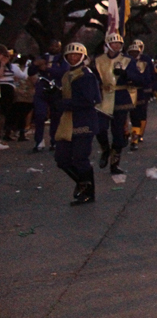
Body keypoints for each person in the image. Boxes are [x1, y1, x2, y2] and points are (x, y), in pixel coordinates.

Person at [53, 43, 101, 206]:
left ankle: (89, 192)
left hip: (84, 121)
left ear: (83, 57)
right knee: (62, 158)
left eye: (76, 55)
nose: (73, 58)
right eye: (70, 55)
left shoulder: (86, 75)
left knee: (80, 158)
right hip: (67, 121)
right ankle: (82, 183)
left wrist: (64, 103)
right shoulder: (67, 75)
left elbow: (90, 100)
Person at [94, 32, 147, 175]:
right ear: (107, 45)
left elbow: (139, 79)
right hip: (104, 97)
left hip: (120, 97)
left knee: (118, 133)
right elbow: (93, 78)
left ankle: (115, 163)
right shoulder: (98, 60)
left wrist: (126, 75)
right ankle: (105, 150)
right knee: (99, 128)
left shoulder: (128, 60)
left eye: (118, 43)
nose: (116, 46)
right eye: (113, 43)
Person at [126, 40, 154, 151]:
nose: (134, 54)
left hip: (141, 92)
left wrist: (151, 88)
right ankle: (127, 133)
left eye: (136, 52)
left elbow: (149, 76)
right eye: (131, 52)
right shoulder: (124, 61)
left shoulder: (145, 62)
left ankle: (136, 137)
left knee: (140, 115)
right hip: (126, 92)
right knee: (127, 116)